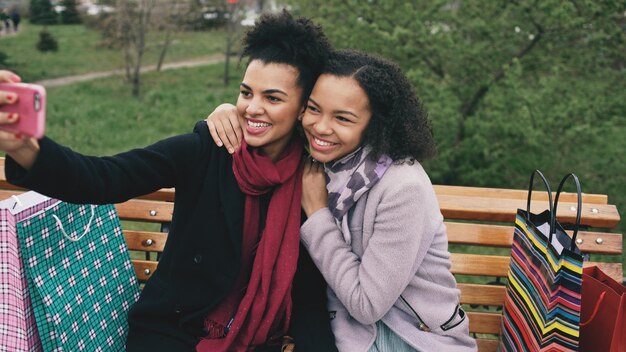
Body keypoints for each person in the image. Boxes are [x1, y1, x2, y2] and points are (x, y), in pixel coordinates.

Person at [0, 11, 336, 352]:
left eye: (273, 98)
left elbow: (307, 297)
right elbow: (103, 178)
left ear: (302, 108)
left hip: (255, 340)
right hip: (171, 333)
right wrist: (28, 148)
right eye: (246, 93)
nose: (252, 108)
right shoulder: (208, 149)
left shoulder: (308, 183)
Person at [207, 49, 478, 351]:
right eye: (313, 109)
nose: (321, 128)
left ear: (374, 125)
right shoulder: (323, 161)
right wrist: (228, 113)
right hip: (344, 334)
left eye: (343, 118)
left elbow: (366, 305)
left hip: (413, 338)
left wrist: (318, 214)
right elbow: (267, 117)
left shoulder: (402, 190)